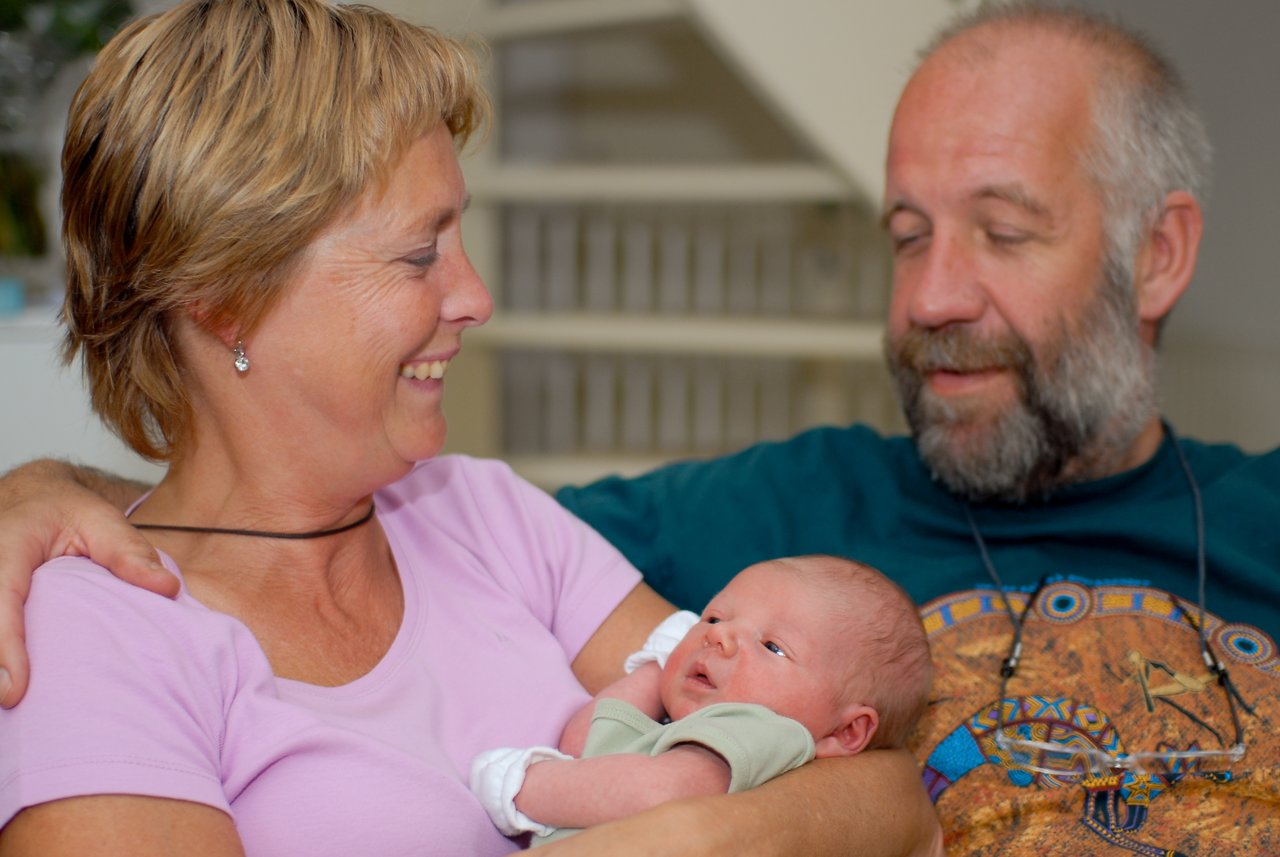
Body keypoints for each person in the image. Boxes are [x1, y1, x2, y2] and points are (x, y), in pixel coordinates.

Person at [1, 0, 1278, 853]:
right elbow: (222, 532)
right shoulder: (767, 505)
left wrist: (679, 824)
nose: (478, 296)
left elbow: (890, 785)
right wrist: (52, 495)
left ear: (1157, 255)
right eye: (416, 252)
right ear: (224, 292)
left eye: (1003, 231)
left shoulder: (482, 512)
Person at [469, 555, 932, 846]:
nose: (720, 637)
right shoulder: (686, 736)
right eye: (713, 617)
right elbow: (584, 746)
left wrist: (522, 787)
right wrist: (659, 667)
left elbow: (658, 795)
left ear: (845, 732)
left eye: (772, 646)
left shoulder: (764, 730)